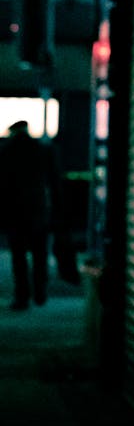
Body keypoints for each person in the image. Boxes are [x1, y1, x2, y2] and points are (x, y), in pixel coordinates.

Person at [0, 120, 62, 310]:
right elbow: (55, 180)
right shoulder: (42, 149)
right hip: (39, 211)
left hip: (15, 212)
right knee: (39, 253)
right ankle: (40, 290)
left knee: (19, 257)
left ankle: (22, 296)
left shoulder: (6, 151)